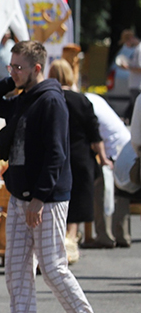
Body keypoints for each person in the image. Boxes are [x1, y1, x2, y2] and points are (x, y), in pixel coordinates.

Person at [0, 40, 103, 313]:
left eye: (19, 67)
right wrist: (11, 79)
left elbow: (57, 154)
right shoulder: (22, 98)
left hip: (47, 199)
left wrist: (40, 199)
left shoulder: (51, 101)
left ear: (37, 68)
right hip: (20, 195)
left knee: (53, 267)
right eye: (11, 66)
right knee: (16, 269)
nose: (13, 72)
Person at [47, 59, 106, 263]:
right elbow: (94, 134)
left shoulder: (49, 99)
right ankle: (71, 243)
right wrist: (104, 158)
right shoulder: (82, 100)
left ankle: (62, 245)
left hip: (56, 156)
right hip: (81, 157)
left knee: (59, 202)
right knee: (78, 202)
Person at [83, 92, 132, 248]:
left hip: (112, 150)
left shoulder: (86, 103)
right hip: (125, 145)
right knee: (121, 194)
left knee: (102, 192)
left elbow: (95, 136)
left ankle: (104, 236)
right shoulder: (94, 98)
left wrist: (103, 159)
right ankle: (122, 235)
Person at [117, 29, 141, 121]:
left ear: (130, 38)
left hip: (138, 85)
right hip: (135, 85)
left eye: (126, 42)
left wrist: (127, 67)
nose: (126, 45)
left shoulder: (139, 49)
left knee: (136, 111)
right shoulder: (136, 49)